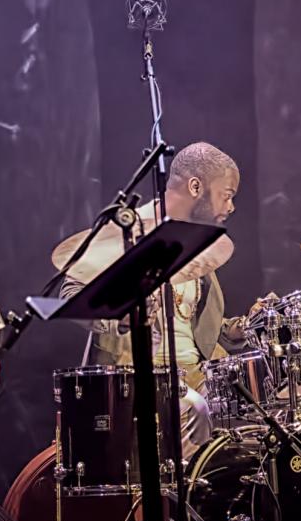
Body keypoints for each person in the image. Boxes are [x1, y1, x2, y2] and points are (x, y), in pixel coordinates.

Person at [73, 141, 266, 451]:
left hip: (198, 375)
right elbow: (72, 293)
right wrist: (120, 314)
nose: (230, 207)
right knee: (196, 409)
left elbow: (191, 322)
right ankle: (188, 496)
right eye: (226, 195)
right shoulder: (125, 231)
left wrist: (240, 328)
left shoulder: (197, 245)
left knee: (263, 418)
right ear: (195, 186)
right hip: (138, 379)